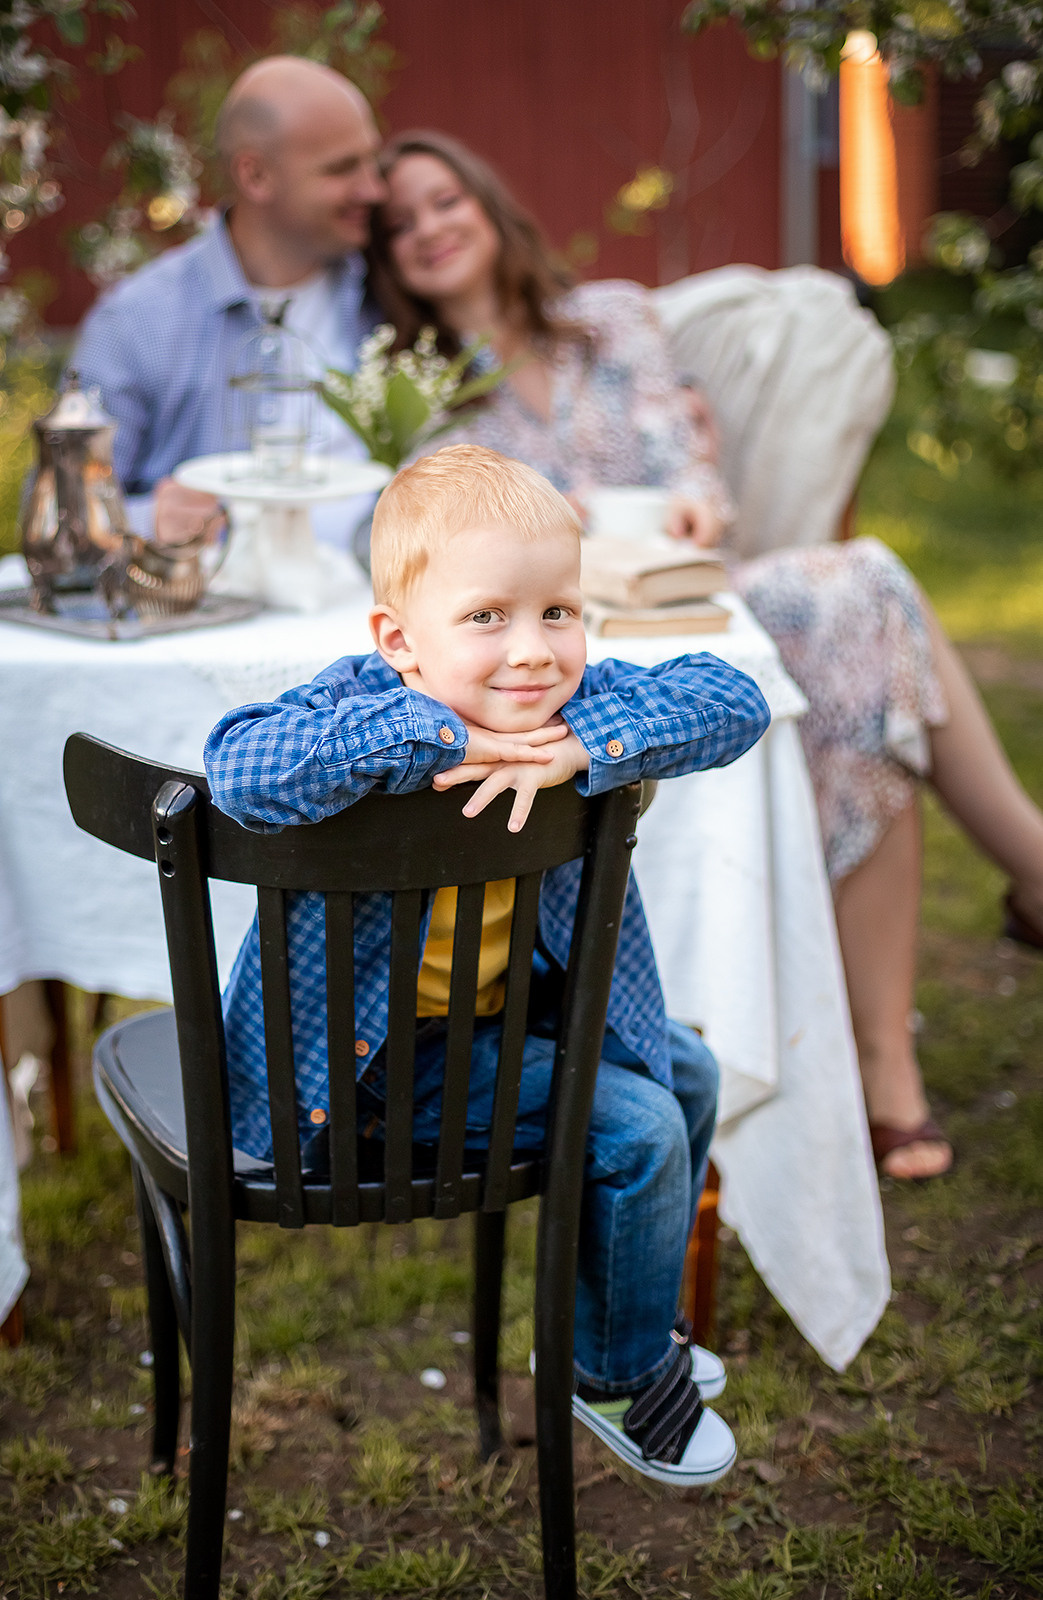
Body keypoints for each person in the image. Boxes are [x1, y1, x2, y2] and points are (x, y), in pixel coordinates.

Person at [366, 129, 1043, 1182]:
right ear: (384, 260)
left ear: (489, 206)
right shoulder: (423, 399)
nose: (428, 230)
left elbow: (689, 457)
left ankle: (887, 1052)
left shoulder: (613, 320)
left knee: (856, 587)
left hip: (693, 595)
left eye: (443, 200)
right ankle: (1021, 880)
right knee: (861, 611)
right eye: (399, 223)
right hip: (560, 651)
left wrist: (696, 497)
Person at [204, 443, 771, 1485]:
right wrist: (421, 731)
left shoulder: (568, 707)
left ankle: (624, 1320)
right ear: (397, 640)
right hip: (363, 1072)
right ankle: (605, 1375)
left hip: (499, 1028)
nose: (531, 651)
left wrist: (587, 739)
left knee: (685, 1071)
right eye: (485, 618)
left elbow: (730, 697)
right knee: (640, 1126)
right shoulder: (362, 702)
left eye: (556, 611)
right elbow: (235, 767)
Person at [70, 56, 388, 548]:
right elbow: (62, 511)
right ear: (255, 175)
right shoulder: (138, 322)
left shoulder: (390, 291)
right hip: (209, 611)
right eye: (343, 168)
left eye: (372, 160)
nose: (374, 188)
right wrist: (149, 518)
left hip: (373, 606)